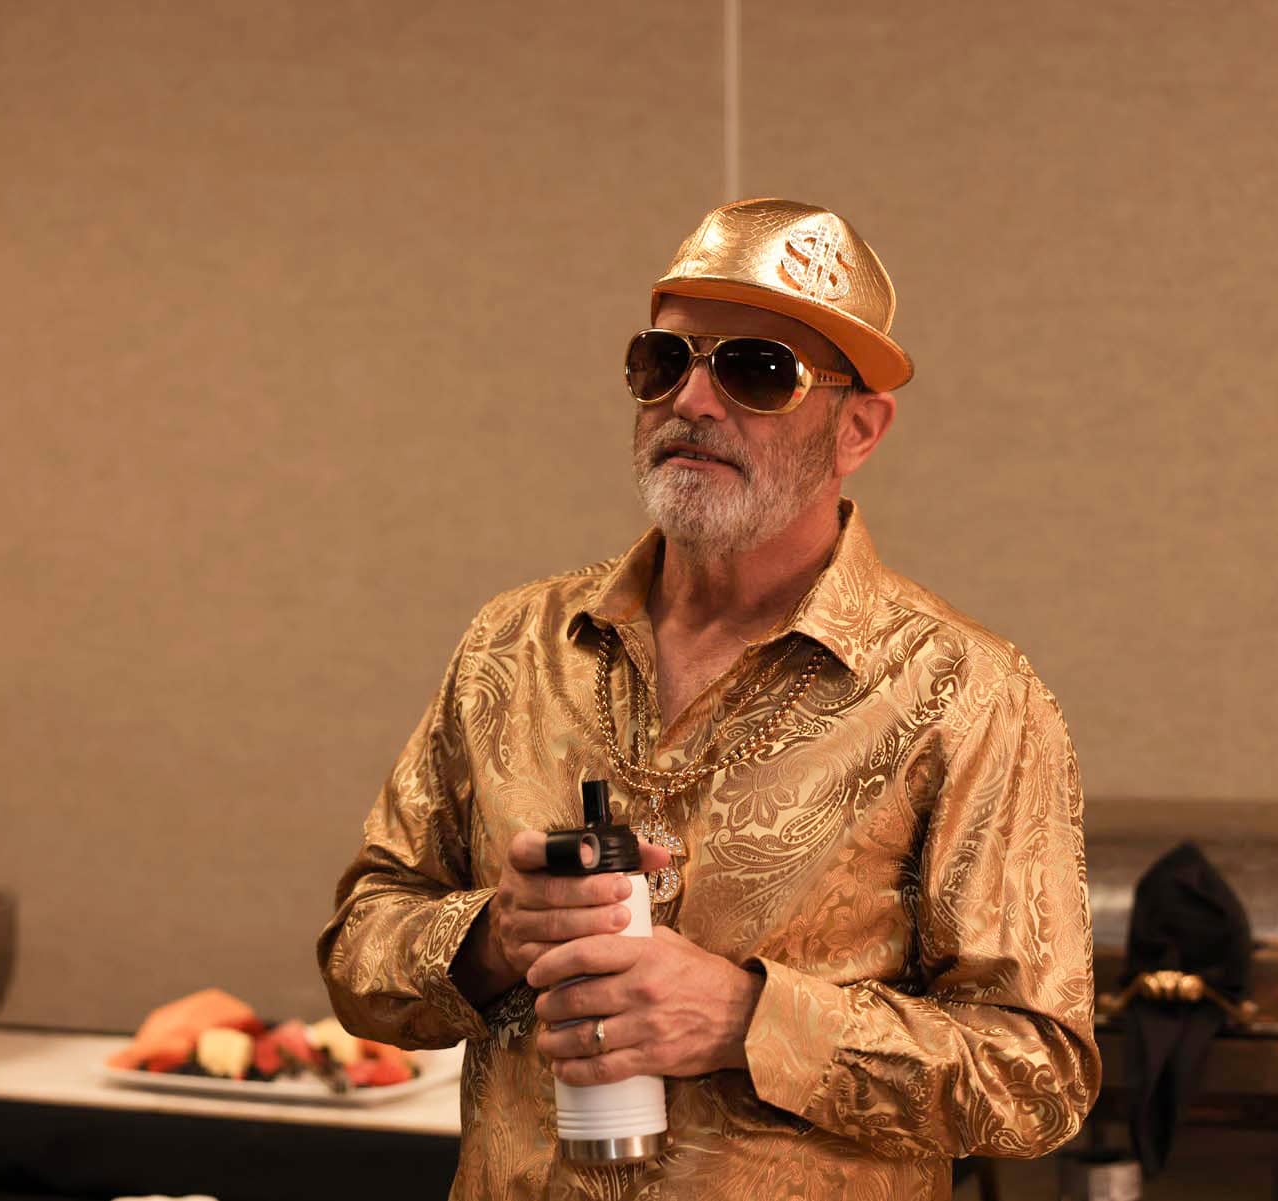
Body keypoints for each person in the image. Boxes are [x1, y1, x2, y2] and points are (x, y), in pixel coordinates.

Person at [316, 198, 1100, 1200]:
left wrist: (747, 1020)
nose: (692, 398)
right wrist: (494, 937)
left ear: (859, 427)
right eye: (663, 361)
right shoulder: (512, 646)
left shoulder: (964, 693)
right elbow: (360, 952)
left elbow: (1037, 1080)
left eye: (756, 370)